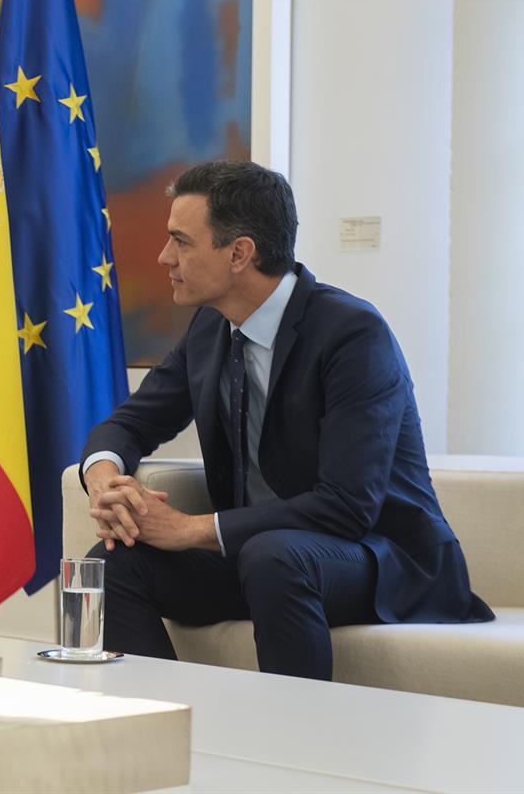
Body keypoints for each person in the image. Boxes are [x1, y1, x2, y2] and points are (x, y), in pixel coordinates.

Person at [81, 160, 492, 680]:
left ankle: (294, 748)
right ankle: (173, 728)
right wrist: (104, 481)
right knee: (114, 560)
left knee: (275, 557)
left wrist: (191, 528)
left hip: (378, 559)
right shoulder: (210, 329)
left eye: (181, 241)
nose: (164, 257)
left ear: (239, 253)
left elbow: (346, 507)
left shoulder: (351, 334)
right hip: (265, 557)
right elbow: (132, 424)